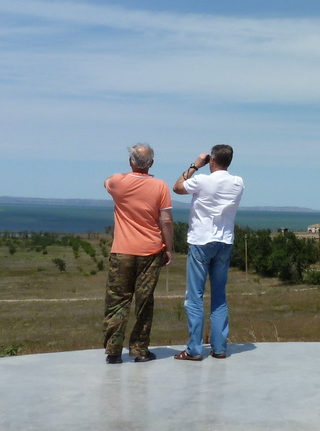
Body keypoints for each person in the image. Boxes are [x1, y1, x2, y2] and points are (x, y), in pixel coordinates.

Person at [102, 143, 173, 364]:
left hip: (122, 250)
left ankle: (114, 351)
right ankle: (140, 349)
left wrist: (126, 174)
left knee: (117, 301)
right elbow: (167, 220)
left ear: (130, 162)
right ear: (151, 163)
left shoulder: (117, 182)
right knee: (144, 301)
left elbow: (106, 183)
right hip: (150, 250)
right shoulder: (161, 186)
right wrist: (169, 248)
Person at [173, 144, 244, 361]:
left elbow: (177, 187)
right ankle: (219, 347)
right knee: (219, 297)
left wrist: (195, 165)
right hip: (224, 242)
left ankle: (194, 349)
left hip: (201, 241)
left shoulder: (202, 180)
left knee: (194, 297)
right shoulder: (238, 182)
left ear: (212, 160)